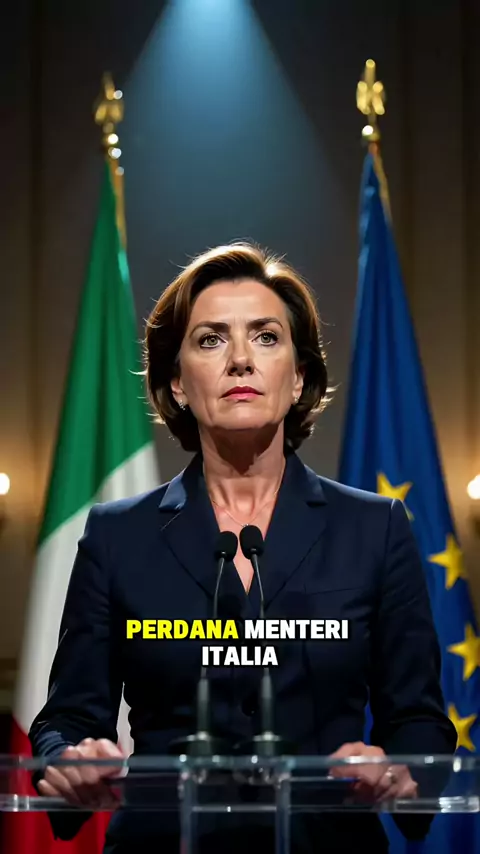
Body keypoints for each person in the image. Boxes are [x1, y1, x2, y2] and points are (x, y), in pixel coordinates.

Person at [30, 242, 457, 853]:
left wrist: (400, 770)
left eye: (265, 337)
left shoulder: (375, 528)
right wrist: (72, 758)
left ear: (299, 376)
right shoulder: (117, 536)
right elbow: (66, 718)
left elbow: (418, 719)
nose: (239, 360)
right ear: (177, 383)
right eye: (210, 340)